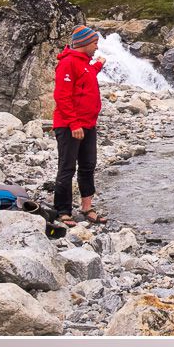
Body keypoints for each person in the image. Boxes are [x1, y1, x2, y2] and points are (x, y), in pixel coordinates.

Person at [52, 24, 109, 227]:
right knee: (67, 167)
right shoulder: (67, 63)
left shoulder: (85, 63)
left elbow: (86, 77)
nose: (96, 47)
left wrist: (98, 66)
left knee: (87, 165)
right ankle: (63, 210)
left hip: (88, 124)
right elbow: (62, 96)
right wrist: (74, 123)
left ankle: (87, 207)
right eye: (94, 43)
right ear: (84, 43)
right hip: (70, 126)